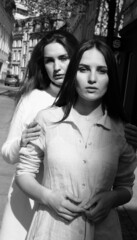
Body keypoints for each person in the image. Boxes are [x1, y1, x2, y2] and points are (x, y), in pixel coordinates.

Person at [0, 30, 137, 240]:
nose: (92, 78)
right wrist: (24, 141)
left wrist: (112, 198)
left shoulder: (119, 130)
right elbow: (17, 164)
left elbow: (125, 185)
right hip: (45, 221)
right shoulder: (41, 111)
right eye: (83, 69)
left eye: (102, 71)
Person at [0, 29, 79, 240]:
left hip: (64, 206)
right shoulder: (33, 98)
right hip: (24, 204)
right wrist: (21, 141)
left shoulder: (87, 102)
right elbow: (7, 153)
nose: (57, 67)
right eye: (49, 61)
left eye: (63, 58)